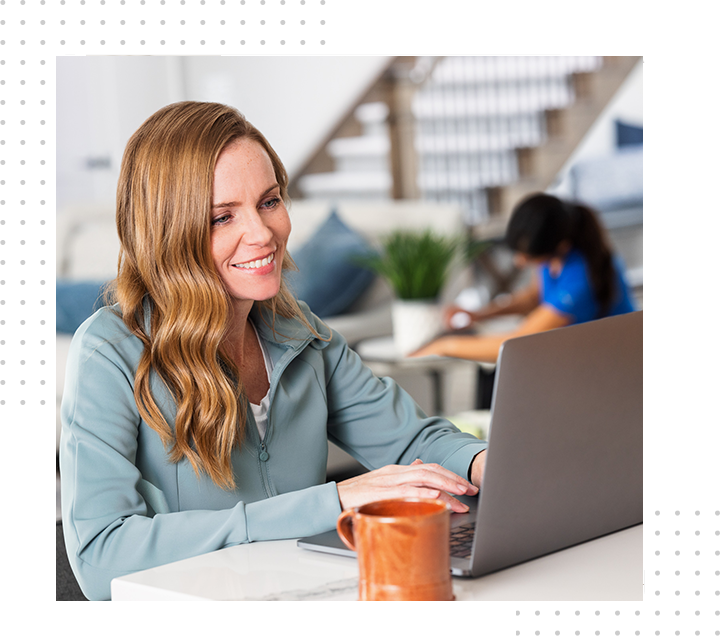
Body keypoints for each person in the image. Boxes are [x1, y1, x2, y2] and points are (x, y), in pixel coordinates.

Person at [59, 101, 487, 601]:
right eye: (222, 217)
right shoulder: (109, 352)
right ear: (168, 234)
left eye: (269, 201)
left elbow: (415, 442)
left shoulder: (299, 331)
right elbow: (100, 556)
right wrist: (332, 502)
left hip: (301, 593)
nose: (263, 234)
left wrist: (485, 464)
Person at [411, 193, 636, 363]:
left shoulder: (581, 279)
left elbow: (514, 344)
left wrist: (444, 345)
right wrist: (479, 314)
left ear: (560, 246)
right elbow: (533, 298)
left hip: (613, 364)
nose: (519, 262)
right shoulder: (556, 255)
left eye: (528, 256)